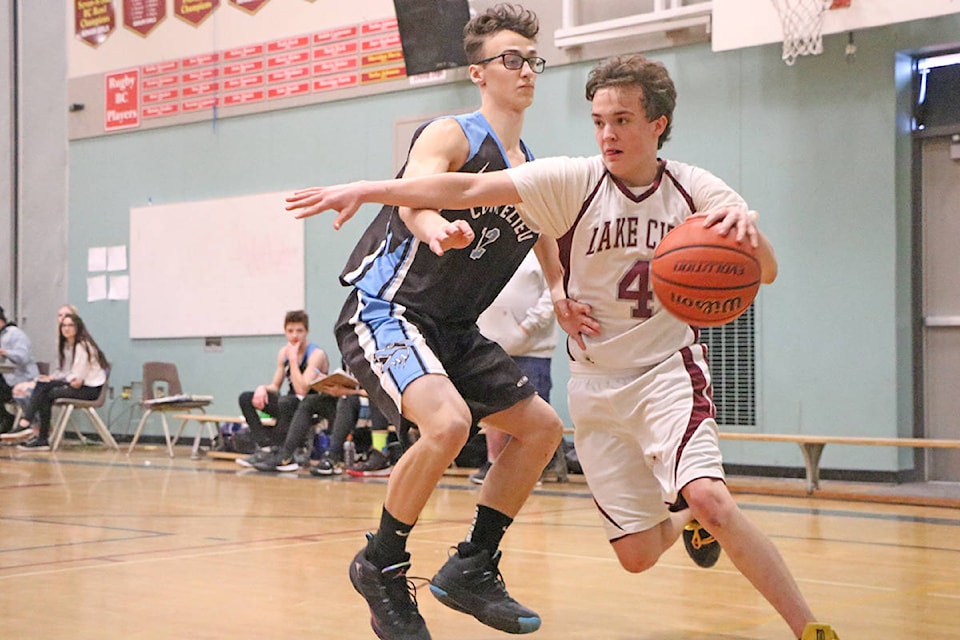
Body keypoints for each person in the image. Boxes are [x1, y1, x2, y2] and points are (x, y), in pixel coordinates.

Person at [285, 54, 841, 640]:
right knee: (637, 553)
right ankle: (682, 516)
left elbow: (767, 271)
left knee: (710, 497)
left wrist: (749, 237)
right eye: (599, 120)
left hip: (667, 373)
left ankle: (809, 627)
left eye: (622, 120)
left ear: (659, 123)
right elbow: (467, 186)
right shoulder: (572, 177)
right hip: (597, 386)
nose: (608, 134)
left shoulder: (696, 188)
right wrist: (367, 188)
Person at [287, 5, 564, 639]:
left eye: (532, 60)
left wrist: (561, 290)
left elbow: (544, 230)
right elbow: (418, 189)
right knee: (447, 423)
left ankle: (471, 566)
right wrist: (434, 225)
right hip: (386, 307)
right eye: (510, 59)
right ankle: (380, 564)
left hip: (454, 325)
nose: (525, 71)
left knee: (542, 431)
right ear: (479, 72)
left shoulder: (531, 165)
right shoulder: (453, 133)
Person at [471, 250, 557, 484]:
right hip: (492, 342)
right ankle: (493, 462)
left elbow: (554, 290)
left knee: (531, 411)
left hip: (532, 348)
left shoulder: (541, 249)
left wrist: (527, 327)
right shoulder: (490, 247)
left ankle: (530, 467)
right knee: (494, 408)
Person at [236, 310, 329, 468]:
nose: (295, 336)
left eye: (299, 331)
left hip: (310, 406)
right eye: (290, 331)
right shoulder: (283, 353)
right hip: (287, 403)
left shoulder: (316, 354)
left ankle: (280, 452)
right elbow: (275, 386)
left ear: (307, 331)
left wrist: (293, 360)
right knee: (246, 397)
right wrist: (262, 388)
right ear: (285, 331)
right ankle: (265, 447)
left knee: (287, 402)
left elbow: (302, 389)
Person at [10, 313, 107, 451]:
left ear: (78, 327)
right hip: (75, 384)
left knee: (44, 389)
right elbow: (65, 372)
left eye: (70, 325)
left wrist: (57, 379)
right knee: (44, 388)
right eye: (64, 325)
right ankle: (39, 436)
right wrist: (53, 378)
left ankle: (29, 424)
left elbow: (77, 376)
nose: (66, 328)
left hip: (89, 389)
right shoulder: (67, 346)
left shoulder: (83, 346)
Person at [0, 305, 40, 434]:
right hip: (7, 380)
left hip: (22, 380)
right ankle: (5, 417)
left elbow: (23, 357)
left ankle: (6, 418)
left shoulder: (14, 334)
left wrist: (5, 352)